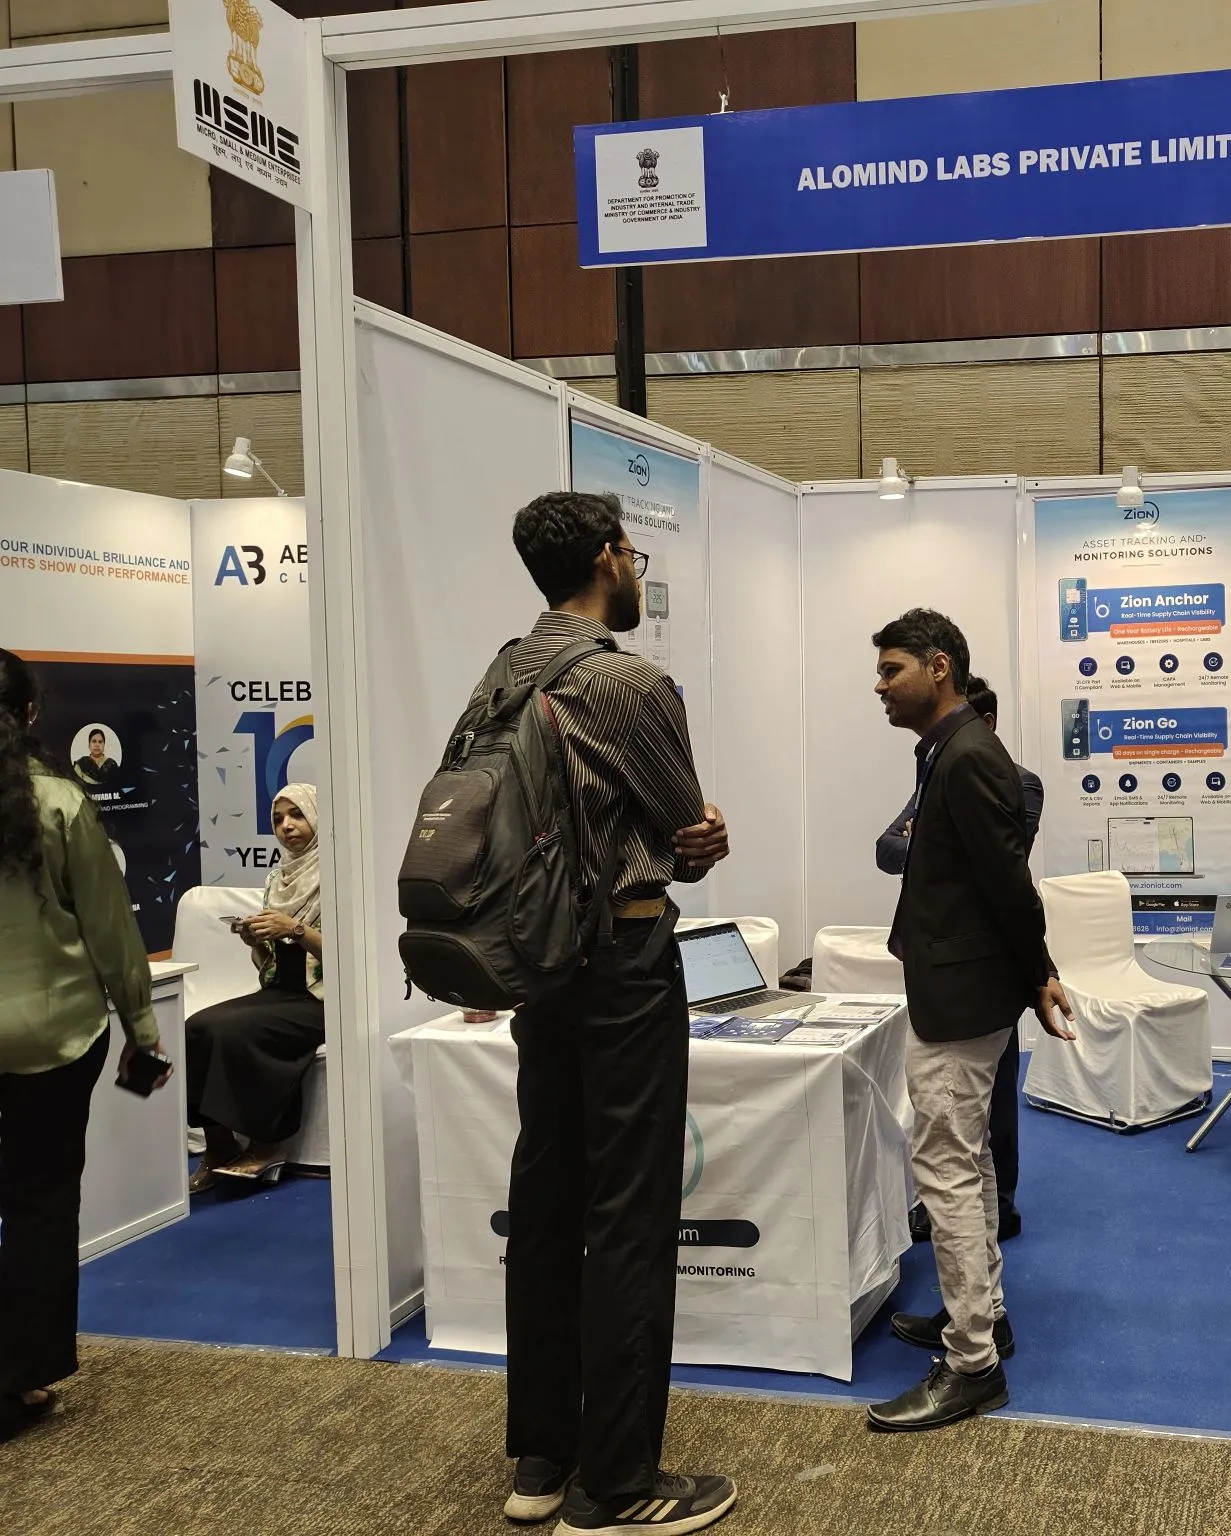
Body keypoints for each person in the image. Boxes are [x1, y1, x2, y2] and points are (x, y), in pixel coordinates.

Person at [495, 491, 737, 1535]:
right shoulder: (627, 681)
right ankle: (619, 1484)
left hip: (537, 967)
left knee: (545, 1204)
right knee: (629, 1214)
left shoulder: (504, 671)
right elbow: (686, 831)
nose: (638, 570)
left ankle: (542, 1459)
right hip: (623, 960)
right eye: (633, 554)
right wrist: (705, 835)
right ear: (607, 557)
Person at [867, 609, 1073, 1433]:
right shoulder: (947, 751)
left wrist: (1042, 973)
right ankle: (983, 1317)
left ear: (939, 668)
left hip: (962, 998)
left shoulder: (970, 757)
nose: (880, 687)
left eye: (892, 670)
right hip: (958, 990)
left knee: (946, 1170)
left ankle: (972, 1365)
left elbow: (1009, 886)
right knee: (970, 1160)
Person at [0, 649, 168, 1444]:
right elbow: (110, 932)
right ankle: (20, 1377)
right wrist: (143, 1032)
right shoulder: (60, 802)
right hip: (56, 1035)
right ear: (30, 713)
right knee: (38, 1202)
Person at [877, 678, 1040, 1246]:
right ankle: (973, 1229)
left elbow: (1002, 868)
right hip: (938, 964)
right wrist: (932, 844)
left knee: (992, 1102)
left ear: (985, 721)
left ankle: (1000, 1212)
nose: (881, 686)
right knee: (955, 1128)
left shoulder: (1014, 779)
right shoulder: (934, 769)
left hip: (983, 968)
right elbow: (885, 849)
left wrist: (926, 841)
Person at [184, 785, 327, 1190]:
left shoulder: (340, 875)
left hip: (323, 998)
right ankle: (219, 1147)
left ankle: (267, 1145)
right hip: (280, 990)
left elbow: (354, 956)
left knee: (238, 1031)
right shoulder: (278, 878)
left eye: (297, 815)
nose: (287, 826)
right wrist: (255, 941)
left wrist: (295, 929)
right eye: (278, 819)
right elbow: (268, 964)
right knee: (198, 1026)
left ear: (318, 818)